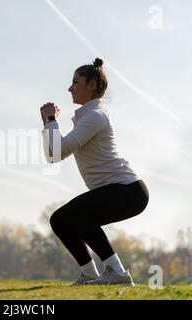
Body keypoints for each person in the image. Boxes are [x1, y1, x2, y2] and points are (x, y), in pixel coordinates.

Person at [40, 58, 149, 286]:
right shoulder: (87, 117)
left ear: (92, 85)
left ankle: (117, 272)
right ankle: (90, 273)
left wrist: (51, 120)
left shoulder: (96, 116)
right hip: (117, 191)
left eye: (75, 82)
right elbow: (52, 156)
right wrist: (48, 123)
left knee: (77, 215)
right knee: (60, 220)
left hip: (128, 190)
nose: (70, 87)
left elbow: (58, 152)